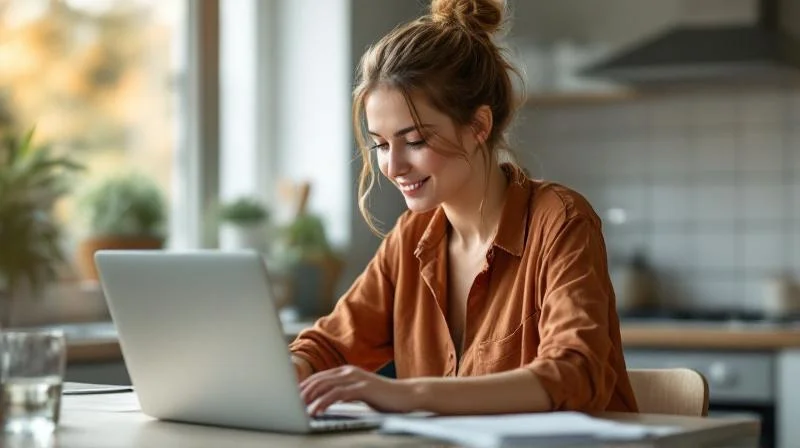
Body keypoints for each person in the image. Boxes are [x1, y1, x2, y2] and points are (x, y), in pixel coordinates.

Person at [289, 0, 638, 416]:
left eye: (415, 141)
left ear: (479, 126)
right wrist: (280, 378)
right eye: (381, 145)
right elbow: (328, 346)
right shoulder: (411, 238)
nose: (394, 166)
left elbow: (575, 374)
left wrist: (409, 393)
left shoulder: (559, 221)